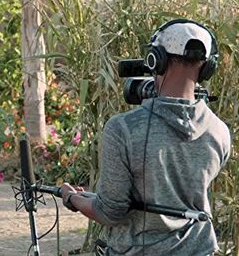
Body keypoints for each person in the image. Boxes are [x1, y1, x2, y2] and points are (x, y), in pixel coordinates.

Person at [61, 19, 231, 255]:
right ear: (206, 68)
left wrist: (72, 198)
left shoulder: (124, 129)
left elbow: (109, 212)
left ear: (155, 60)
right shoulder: (220, 131)